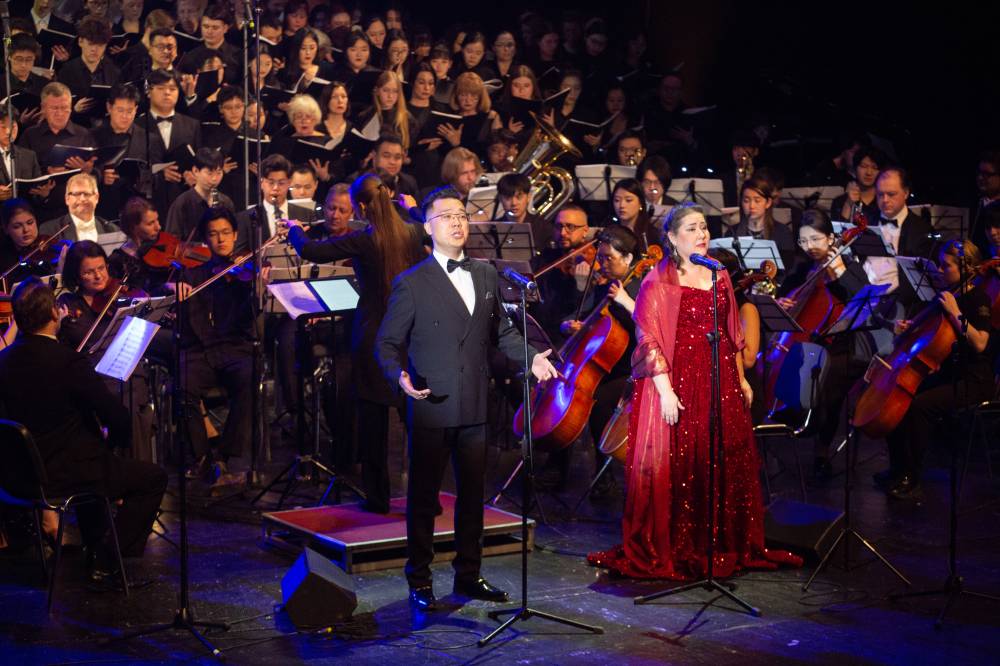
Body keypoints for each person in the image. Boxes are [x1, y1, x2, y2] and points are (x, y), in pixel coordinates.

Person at [588, 203, 802, 579]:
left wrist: (742, 378)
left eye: (704, 227)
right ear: (671, 238)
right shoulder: (660, 279)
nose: (702, 234)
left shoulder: (718, 275)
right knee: (685, 461)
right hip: (679, 378)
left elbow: (730, 334)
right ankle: (680, 543)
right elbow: (649, 340)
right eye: (692, 228)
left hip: (719, 379)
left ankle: (722, 541)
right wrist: (666, 391)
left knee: (718, 458)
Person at [375, 186, 559, 610]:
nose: (457, 222)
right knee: (424, 499)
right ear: (428, 227)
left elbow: (503, 333)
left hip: (475, 402)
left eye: (462, 215)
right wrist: (398, 375)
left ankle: (468, 575)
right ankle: (418, 579)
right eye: (447, 216)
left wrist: (529, 359)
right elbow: (386, 343)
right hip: (430, 400)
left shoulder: (486, 274)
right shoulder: (411, 282)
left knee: (474, 496)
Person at [0, 277, 167, 580]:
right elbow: (115, 416)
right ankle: (107, 556)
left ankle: (94, 543)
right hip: (63, 476)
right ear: (55, 315)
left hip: (16, 477)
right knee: (152, 478)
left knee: (93, 459)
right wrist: (114, 441)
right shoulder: (67, 361)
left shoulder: (3, 361)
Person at [283, 174, 426, 513]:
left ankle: (378, 499)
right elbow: (425, 224)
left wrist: (294, 230)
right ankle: (425, 498)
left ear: (361, 207)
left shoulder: (365, 240)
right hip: (411, 335)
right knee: (416, 422)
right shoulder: (412, 230)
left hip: (374, 336)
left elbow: (312, 251)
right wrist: (415, 208)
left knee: (374, 423)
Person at [881, 240, 995, 501]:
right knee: (897, 398)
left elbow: (980, 343)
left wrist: (955, 313)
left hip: (974, 380)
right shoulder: (947, 294)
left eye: (947, 266)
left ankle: (913, 475)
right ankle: (898, 468)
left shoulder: (977, 297)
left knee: (920, 405)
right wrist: (909, 327)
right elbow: (931, 335)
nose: (940, 272)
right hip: (950, 373)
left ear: (966, 268)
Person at [547, 224, 646, 497]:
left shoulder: (640, 286)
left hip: (631, 367)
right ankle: (556, 463)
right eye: (599, 257)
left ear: (628, 259)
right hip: (609, 365)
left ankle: (608, 476)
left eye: (607, 258)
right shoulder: (613, 285)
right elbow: (595, 318)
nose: (600, 264)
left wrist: (625, 303)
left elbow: (648, 327)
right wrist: (577, 325)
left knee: (601, 399)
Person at [773, 210, 871, 480]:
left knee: (831, 376)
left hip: (844, 343)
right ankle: (793, 411)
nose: (809, 247)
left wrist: (839, 272)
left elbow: (861, 297)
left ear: (831, 238)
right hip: (812, 341)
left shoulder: (850, 266)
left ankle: (822, 447)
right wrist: (782, 303)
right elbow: (786, 293)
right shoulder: (804, 266)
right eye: (803, 241)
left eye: (816, 239)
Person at [178, 207, 256, 485]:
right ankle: (201, 458)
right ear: (205, 240)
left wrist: (256, 287)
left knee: (249, 377)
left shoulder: (246, 273)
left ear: (236, 235)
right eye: (213, 234)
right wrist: (178, 294)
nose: (221, 240)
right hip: (203, 350)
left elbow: (251, 318)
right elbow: (187, 323)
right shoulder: (193, 275)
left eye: (226, 233)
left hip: (236, 348)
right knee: (183, 384)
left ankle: (226, 454)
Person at [857, 167, 934, 312]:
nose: (885, 200)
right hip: (862, 299)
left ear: (906, 193)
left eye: (891, 194)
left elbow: (920, 283)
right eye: (880, 194)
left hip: (898, 305)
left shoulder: (921, 230)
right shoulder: (866, 220)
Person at [725, 175, 796, 271]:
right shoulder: (732, 232)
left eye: (757, 200)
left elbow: (788, 268)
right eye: (746, 201)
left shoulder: (782, 232)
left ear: (768, 203)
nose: (751, 206)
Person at [39, 172, 119, 242]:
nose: (82, 199)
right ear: (67, 199)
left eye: (87, 194)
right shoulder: (50, 230)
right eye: (76, 194)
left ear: (96, 198)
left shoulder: (112, 230)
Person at [829, 146, 883, 224]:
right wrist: (848, 204)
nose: (869, 172)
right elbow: (838, 232)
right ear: (855, 169)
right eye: (864, 166)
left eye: (874, 168)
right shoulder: (840, 202)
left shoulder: (884, 200)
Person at [496, 172, 548, 250]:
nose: (514, 203)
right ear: (500, 198)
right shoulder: (493, 228)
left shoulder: (543, 227)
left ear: (529, 197)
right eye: (508, 197)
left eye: (519, 197)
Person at [611, 178, 657, 249]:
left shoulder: (651, 234)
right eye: (617, 200)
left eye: (628, 200)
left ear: (640, 203)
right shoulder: (609, 232)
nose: (621, 205)